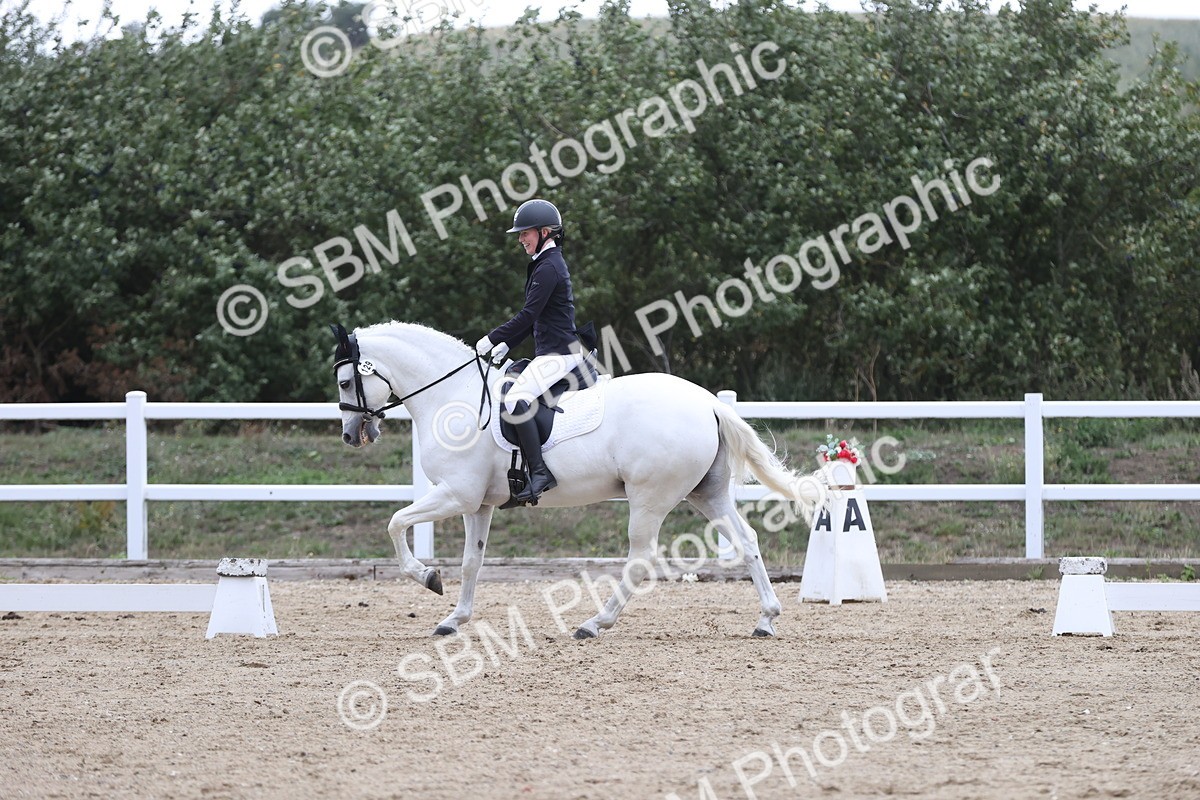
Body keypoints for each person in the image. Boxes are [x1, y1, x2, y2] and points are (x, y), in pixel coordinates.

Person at [475, 198, 586, 505]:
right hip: (552, 352)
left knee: (515, 398)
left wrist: (492, 336)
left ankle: (539, 472)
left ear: (545, 232)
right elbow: (534, 317)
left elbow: (526, 315)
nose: (521, 238)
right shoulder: (544, 263)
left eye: (526, 232)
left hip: (560, 355)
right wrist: (507, 344)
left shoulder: (549, 266)